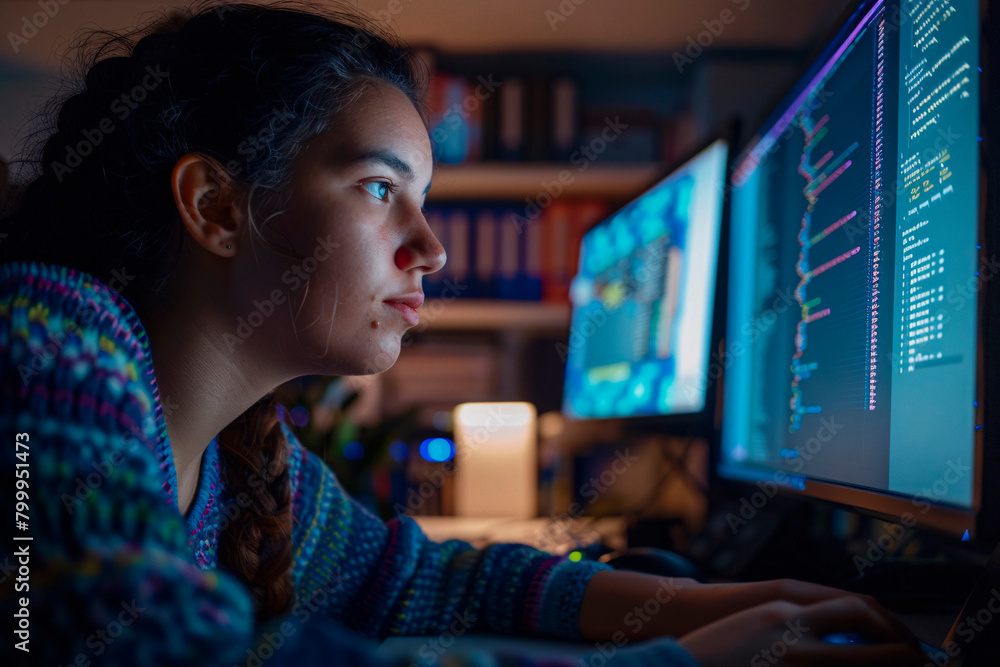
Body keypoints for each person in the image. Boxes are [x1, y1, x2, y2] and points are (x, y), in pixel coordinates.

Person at [0, 2, 927, 665]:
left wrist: (704, 601)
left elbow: (421, 583)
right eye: (379, 188)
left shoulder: (251, 466)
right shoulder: (47, 341)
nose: (433, 249)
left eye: (427, 201)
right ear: (215, 206)